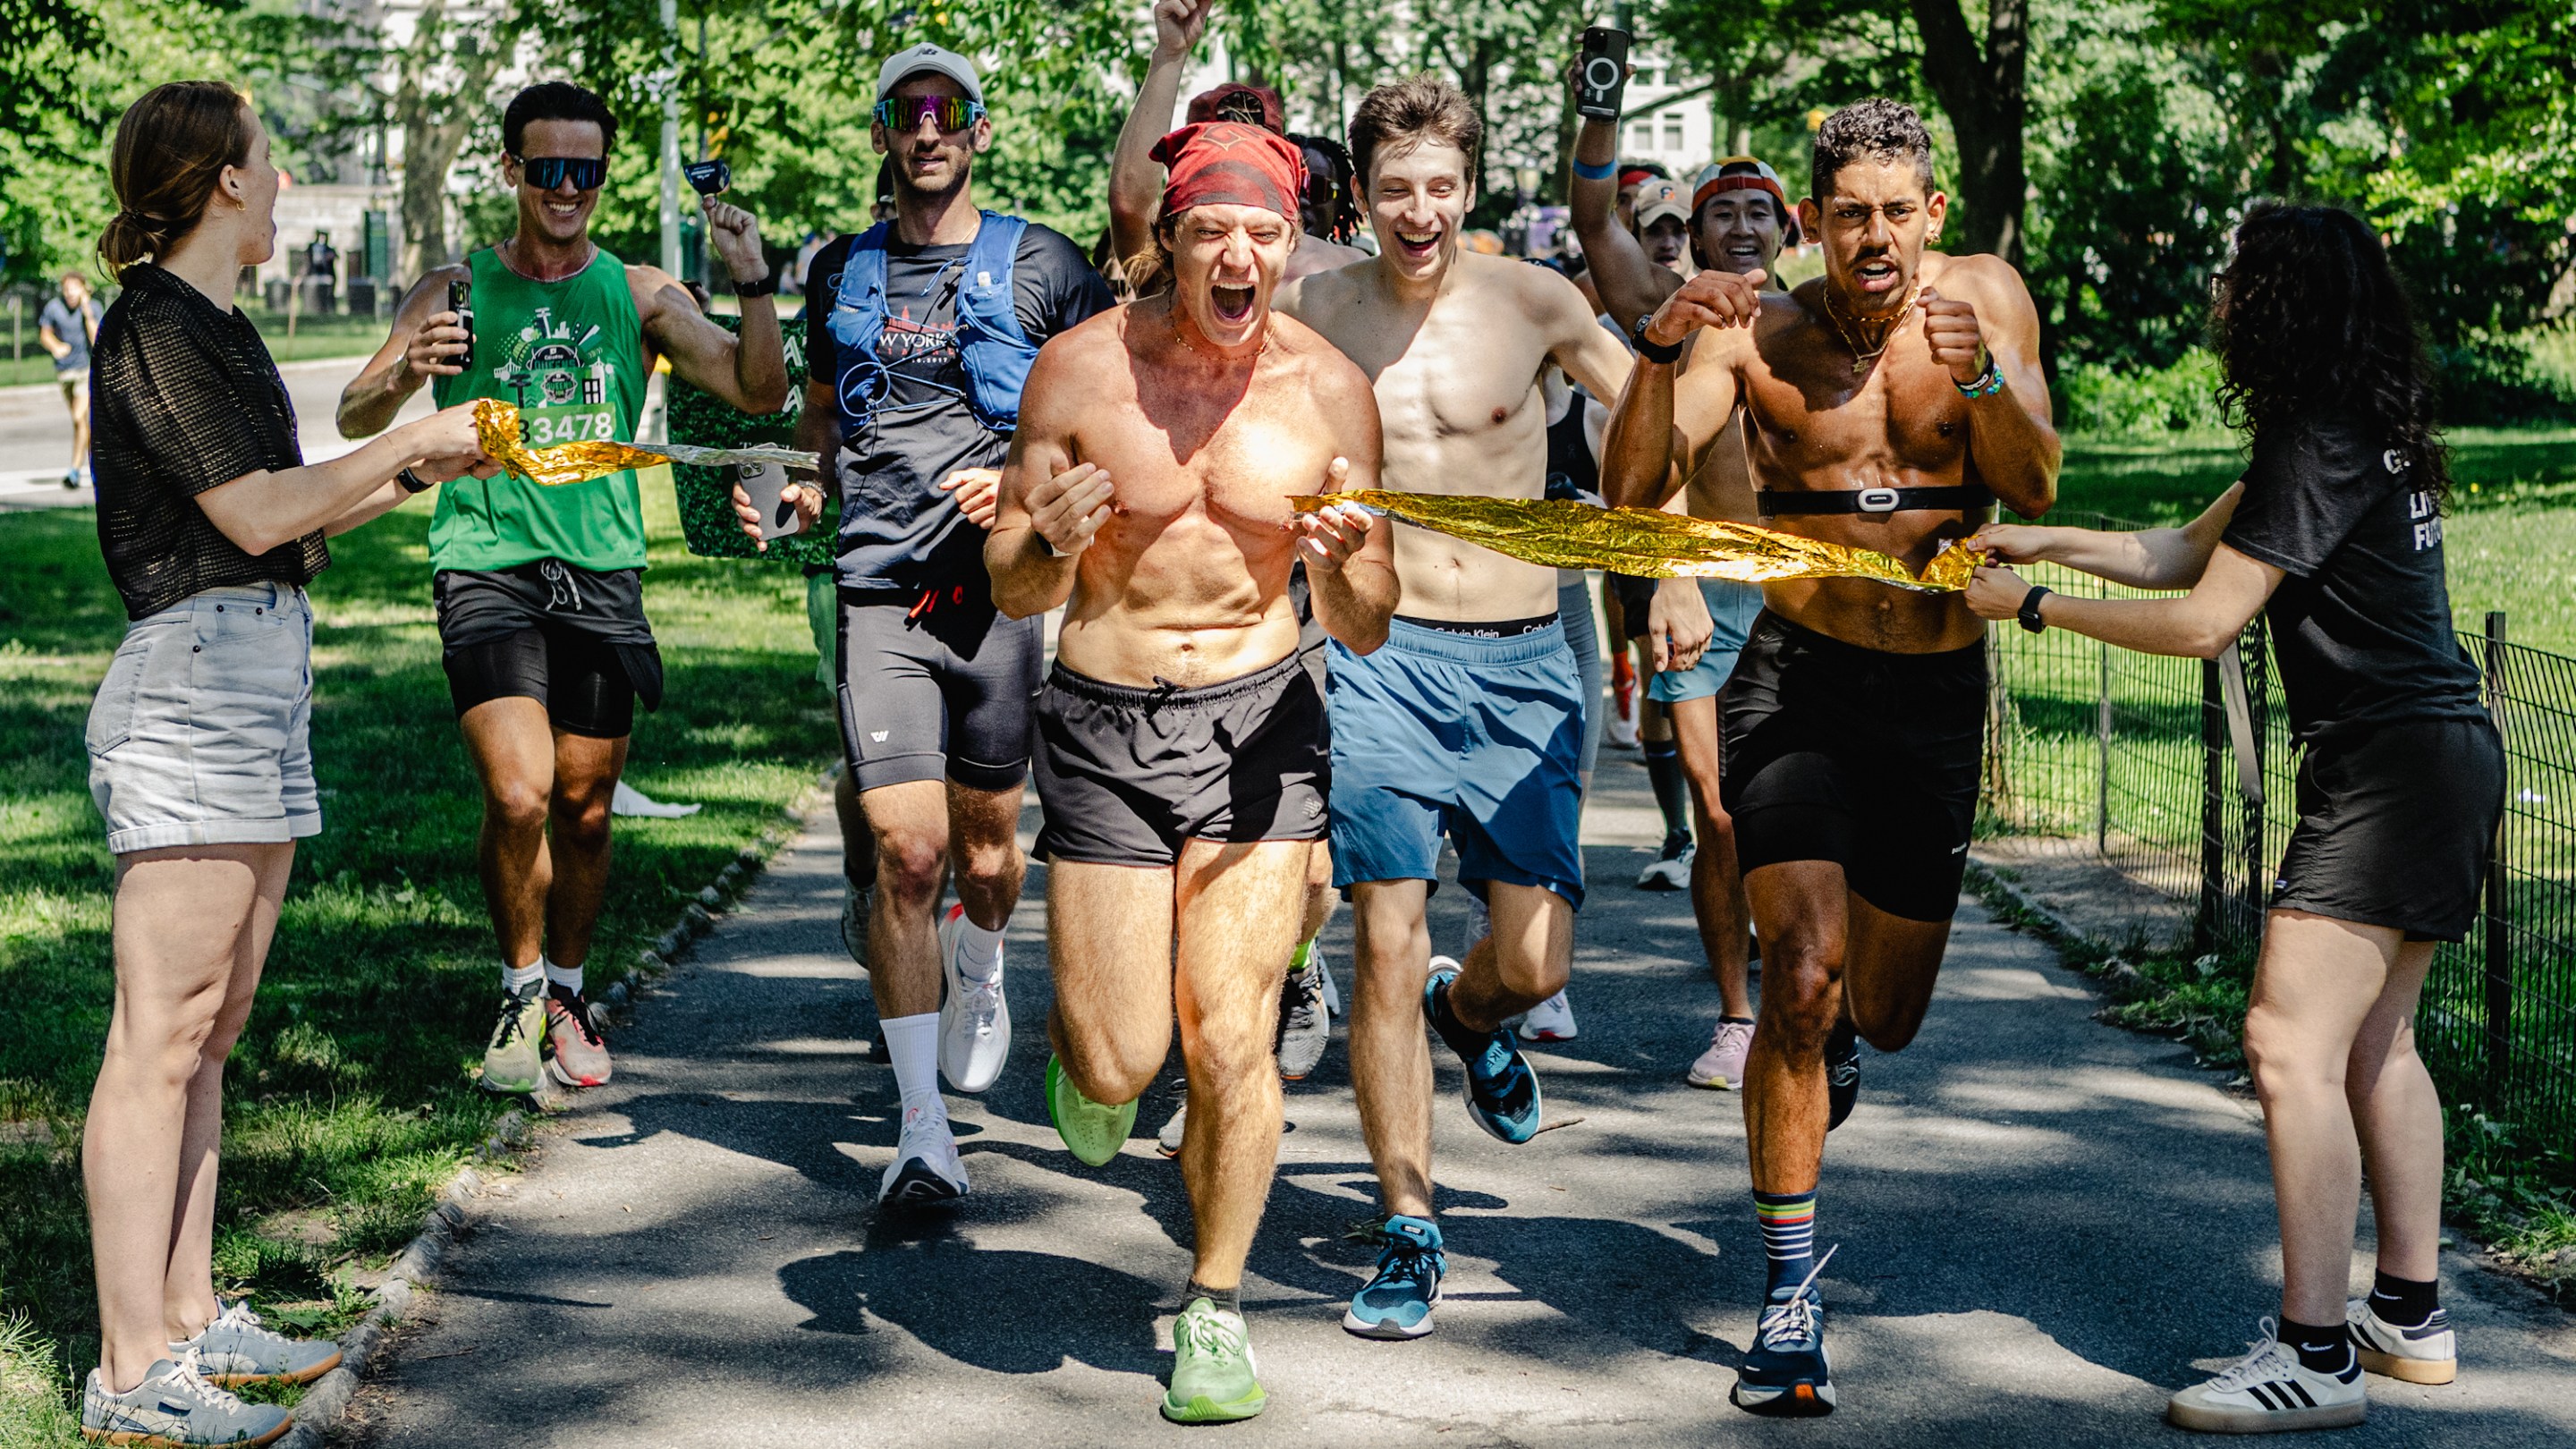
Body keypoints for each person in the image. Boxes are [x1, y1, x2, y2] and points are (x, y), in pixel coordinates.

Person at [1964, 202, 2497, 1435]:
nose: (2216, 292)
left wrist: (2034, 607)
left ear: (2281, 300)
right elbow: (2174, 551)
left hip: (2388, 770)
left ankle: (2313, 1355)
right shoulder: (2363, 426)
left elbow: (2206, 621)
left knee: (2284, 1044)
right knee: (2377, 1047)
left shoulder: (2316, 435)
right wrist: (2040, 535)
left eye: (2233, 276)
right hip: (2438, 756)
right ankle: (2407, 1316)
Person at [1600, 98, 2058, 1414]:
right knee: (1797, 979)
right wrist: (1654, 345)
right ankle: (1789, 1298)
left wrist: (1977, 376)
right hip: (1795, 684)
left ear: (1931, 217)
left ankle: (1844, 1033)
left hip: (1933, 694)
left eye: (1895, 212)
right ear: (1813, 222)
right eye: (1847, 212)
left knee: (1883, 1012)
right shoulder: (1758, 331)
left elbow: (2030, 485)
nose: (1874, 236)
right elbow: (1638, 492)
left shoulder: (1984, 300)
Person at [77, 80, 494, 1448]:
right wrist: (407, 439)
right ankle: (131, 1371)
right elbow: (250, 511)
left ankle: (191, 1322)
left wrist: (427, 469)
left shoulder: (220, 328)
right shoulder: (151, 327)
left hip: (254, 674)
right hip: (191, 686)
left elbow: (293, 523)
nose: (285, 177)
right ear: (225, 183)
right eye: (273, 158)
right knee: (159, 1037)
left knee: (215, 1029)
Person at [987, 119, 1395, 1422]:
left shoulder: (1331, 390)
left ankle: (1214, 1305)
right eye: (1211, 229)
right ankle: (1095, 1063)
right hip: (1104, 724)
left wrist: (1341, 564)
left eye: (1264, 233)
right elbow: (1012, 582)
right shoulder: (1078, 373)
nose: (1238, 254)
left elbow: (1374, 615)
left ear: (1294, 243)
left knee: (1232, 1040)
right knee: (1118, 1063)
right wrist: (1044, 544)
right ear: (1168, 236)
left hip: (1262, 724)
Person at [335, 80, 789, 1099]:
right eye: (549, 170)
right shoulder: (453, 290)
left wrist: (754, 284)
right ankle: (520, 987)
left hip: (601, 574)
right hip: (484, 566)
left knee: (583, 809)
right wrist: (409, 367)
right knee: (519, 790)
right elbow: (354, 416)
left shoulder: (638, 296)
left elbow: (759, 391)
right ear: (512, 171)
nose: (568, 189)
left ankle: (570, 993)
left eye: (586, 170)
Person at [1276, 73, 1633, 1341]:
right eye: (1393, 189)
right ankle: (1409, 1227)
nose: (1417, 210)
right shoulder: (1312, 306)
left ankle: (1466, 1010)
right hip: (1379, 650)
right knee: (1382, 930)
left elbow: (1657, 415)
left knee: (1534, 959)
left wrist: (1683, 573)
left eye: (1439, 186)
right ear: (1362, 196)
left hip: (1528, 657)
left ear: (1469, 190)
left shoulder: (1537, 300)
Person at [792, 45, 1115, 1206]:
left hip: (1000, 599)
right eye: (905, 113)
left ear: (978, 130)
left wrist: (1033, 492)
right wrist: (804, 484)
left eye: (949, 112)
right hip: (879, 597)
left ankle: (983, 965)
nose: (927, 130)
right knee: (909, 855)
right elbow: (826, 420)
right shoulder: (842, 267)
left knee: (986, 854)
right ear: (882, 131)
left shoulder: (1043, 263)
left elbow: (1106, 418)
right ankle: (921, 1133)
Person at [1577, 131, 1805, 1089]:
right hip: (1702, 585)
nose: (1743, 226)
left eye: (1761, 211)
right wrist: (1597, 112)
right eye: (1724, 211)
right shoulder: (1673, 312)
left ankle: (1805, 984)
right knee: (1718, 812)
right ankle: (1736, 1015)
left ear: (1791, 228)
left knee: (1799, 807)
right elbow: (1592, 221)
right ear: (1698, 231)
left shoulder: (1820, 322)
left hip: (1799, 586)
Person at [39, 269, 102, 488]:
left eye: (74, 288)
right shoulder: (54, 308)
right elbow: (44, 334)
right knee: (82, 424)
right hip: (64, 371)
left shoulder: (93, 308)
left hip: (86, 371)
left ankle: (75, 470)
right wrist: (56, 346)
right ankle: (89, 470)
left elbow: (96, 339)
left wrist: (86, 310)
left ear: (83, 289)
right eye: (66, 289)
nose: (69, 293)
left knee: (78, 417)